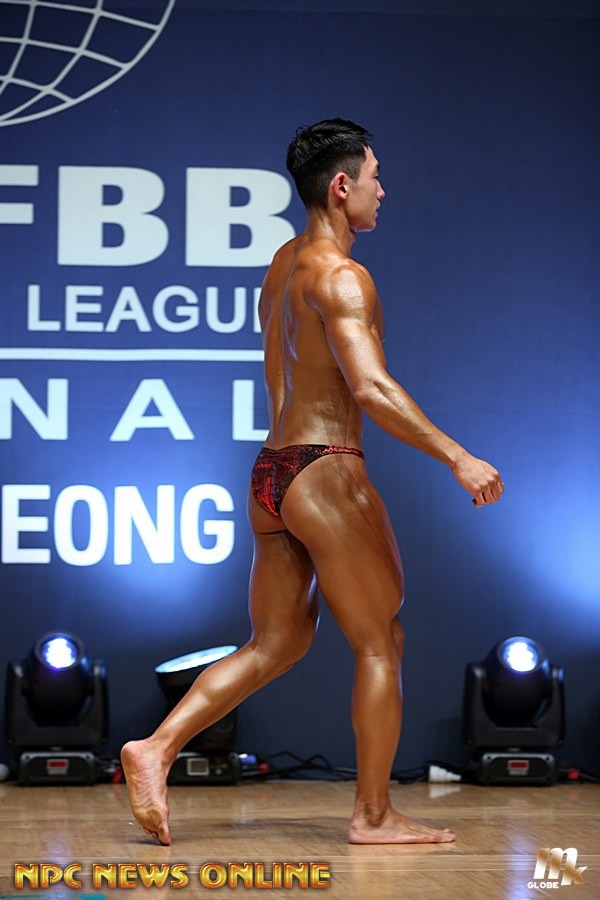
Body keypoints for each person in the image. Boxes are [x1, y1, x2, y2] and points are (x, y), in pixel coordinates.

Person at [121, 118, 504, 846]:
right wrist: (457, 456)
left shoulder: (283, 263)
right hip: (326, 469)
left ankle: (156, 747)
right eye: (375, 177)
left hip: (272, 473)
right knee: (381, 641)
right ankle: (374, 815)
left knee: (277, 643)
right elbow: (371, 388)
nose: (382, 191)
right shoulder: (342, 276)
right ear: (341, 185)